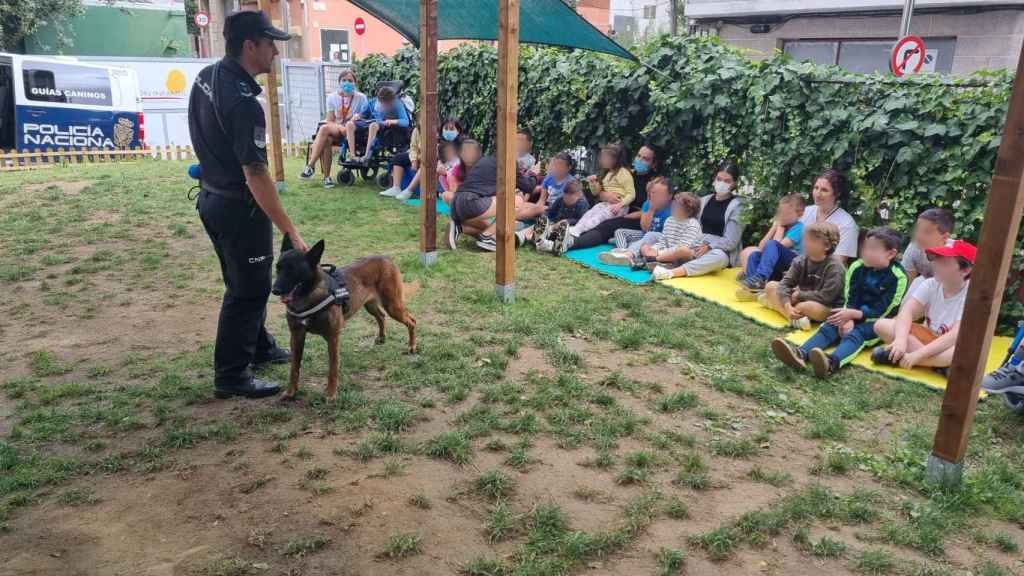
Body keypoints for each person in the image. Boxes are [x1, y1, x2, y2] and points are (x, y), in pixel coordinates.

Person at [188, 11, 307, 399]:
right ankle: (232, 375)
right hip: (239, 208)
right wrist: (289, 228)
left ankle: (259, 346)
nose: (275, 51)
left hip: (211, 198)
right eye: (270, 43)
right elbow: (256, 174)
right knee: (249, 290)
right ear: (249, 46)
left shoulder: (207, 79)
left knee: (242, 281)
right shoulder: (244, 104)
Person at [770, 227, 908, 379]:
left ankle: (831, 363)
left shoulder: (899, 277)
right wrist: (846, 317)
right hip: (851, 311)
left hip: (876, 321)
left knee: (856, 334)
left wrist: (854, 316)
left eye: (873, 249)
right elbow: (850, 296)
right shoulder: (857, 267)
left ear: (891, 253)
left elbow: (884, 310)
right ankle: (800, 353)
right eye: (865, 247)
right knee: (832, 323)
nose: (866, 252)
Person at [872, 240, 976, 371]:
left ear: (965, 270)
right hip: (929, 339)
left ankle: (904, 358)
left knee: (960, 352)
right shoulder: (930, 284)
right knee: (881, 325)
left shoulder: (971, 295)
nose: (936, 265)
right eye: (936, 260)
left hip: (951, 345)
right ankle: (938, 365)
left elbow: (955, 335)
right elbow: (907, 311)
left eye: (944, 263)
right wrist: (900, 340)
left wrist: (918, 355)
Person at [652, 161, 745, 281]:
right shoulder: (704, 200)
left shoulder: (738, 207)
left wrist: (710, 246)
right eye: (719, 179)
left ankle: (671, 272)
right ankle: (633, 255)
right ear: (714, 178)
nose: (722, 183)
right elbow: (691, 226)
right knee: (653, 235)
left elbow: (731, 241)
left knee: (718, 257)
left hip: (718, 251)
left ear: (734, 184)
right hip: (693, 244)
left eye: (727, 181)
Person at [568, 144, 665, 250]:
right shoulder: (626, 173)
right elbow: (600, 192)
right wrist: (605, 195)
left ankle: (572, 243)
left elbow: (657, 207)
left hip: (638, 218)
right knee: (591, 217)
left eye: (645, 159)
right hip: (614, 208)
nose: (639, 160)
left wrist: (633, 214)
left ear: (654, 163)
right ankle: (562, 236)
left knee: (607, 225)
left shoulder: (656, 183)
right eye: (638, 156)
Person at [753, 222, 846, 331]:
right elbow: (785, 284)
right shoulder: (800, 260)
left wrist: (799, 295)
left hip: (823, 306)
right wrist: (787, 305)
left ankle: (775, 305)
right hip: (799, 298)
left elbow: (826, 297)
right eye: (805, 239)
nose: (805, 244)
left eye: (811, 241)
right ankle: (791, 316)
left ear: (827, 246)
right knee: (771, 286)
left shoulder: (835, 267)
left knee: (806, 307)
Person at [446, 141, 533, 252]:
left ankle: (459, 227)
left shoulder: (484, 161)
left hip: (456, 204)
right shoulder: (507, 162)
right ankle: (488, 237)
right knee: (517, 200)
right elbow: (528, 187)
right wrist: (534, 173)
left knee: (485, 225)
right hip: (471, 203)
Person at [550, 143, 634, 254]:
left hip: (618, 207)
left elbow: (631, 194)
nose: (601, 160)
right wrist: (593, 182)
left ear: (614, 159)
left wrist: (620, 204)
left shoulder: (623, 173)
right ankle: (575, 229)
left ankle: (576, 233)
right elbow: (596, 193)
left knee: (598, 217)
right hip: (607, 203)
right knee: (590, 213)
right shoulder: (608, 173)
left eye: (605, 157)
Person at [300, 69, 368, 187]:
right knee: (326, 135)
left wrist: (357, 118)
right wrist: (340, 128)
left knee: (325, 130)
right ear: (339, 82)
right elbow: (330, 120)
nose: (347, 83)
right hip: (336, 129)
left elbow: (366, 117)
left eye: (350, 80)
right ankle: (326, 178)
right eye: (344, 80)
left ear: (354, 83)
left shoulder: (361, 98)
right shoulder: (332, 97)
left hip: (353, 131)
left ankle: (310, 166)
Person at [597, 176, 674, 266]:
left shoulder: (673, 209)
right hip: (645, 234)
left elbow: (668, 236)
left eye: (660, 194)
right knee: (619, 232)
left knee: (651, 235)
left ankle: (629, 253)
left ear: (669, 196)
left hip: (660, 239)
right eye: (654, 193)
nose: (655, 196)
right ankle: (623, 252)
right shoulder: (648, 204)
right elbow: (644, 228)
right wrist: (651, 209)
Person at [737, 193, 806, 293]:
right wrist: (773, 228)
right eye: (780, 213)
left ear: (800, 214)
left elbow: (778, 246)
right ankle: (755, 285)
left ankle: (760, 278)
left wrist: (779, 228)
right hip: (777, 266)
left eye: (786, 214)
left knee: (772, 244)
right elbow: (761, 248)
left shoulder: (799, 228)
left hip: (793, 265)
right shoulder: (783, 225)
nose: (782, 216)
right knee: (754, 255)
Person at [382, 117, 464, 200]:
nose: (448, 131)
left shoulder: (461, 146)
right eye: (446, 128)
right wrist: (414, 160)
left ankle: (411, 191)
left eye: (451, 129)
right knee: (399, 158)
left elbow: (460, 166)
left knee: (427, 166)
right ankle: (398, 188)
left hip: (453, 176)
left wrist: (447, 172)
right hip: (424, 160)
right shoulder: (440, 145)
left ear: (458, 131)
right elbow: (414, 148)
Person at [799, 169, 860, 264]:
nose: (818, 194)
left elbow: (838, 262)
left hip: (823, 271)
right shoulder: (806, 211)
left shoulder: (847, 223)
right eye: (816, 188)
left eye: (824, 190)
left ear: (837, 194)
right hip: (797, 263)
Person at [519, 180, 589, 249]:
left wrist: (568, 221)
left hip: (568, 228)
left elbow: (581, 220)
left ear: (579, 195)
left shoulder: (582, 204)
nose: (566, 199)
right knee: (538, 225)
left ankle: (531, 238)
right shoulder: (560, 199)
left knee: (553, 232)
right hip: (554, 222)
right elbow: (550, 211)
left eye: (570, 197)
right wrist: (545, 217)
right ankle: (521, 234)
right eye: (565, 196)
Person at [349, 85, 410, 164]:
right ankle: (353, 156)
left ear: (390, 101)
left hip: (383, 125)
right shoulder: (374, 102)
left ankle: (367, 156)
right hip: (370, 122)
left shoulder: (397, 104)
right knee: (349, 124)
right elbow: (363, 114)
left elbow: (406, 121)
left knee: (373, 125)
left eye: (385, 103)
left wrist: (393, 121)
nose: (383, 105)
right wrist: (358, 116)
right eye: (381, 102)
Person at [902, 207, 956, 294]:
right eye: (918, 230)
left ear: (945, 237)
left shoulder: (956, 256)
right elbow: (906, 284)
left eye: (926, 232)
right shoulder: (914, 247)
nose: (918, 236)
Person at [517, 151, 576, 221]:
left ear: (568, 167)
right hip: (547, 208)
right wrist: (534, 209)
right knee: (525, 205)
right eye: (556, 165)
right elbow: (542, 200)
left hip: (561, 211)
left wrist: (536, 210)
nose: (557, 168)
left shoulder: (571, 182)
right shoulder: (549, 178)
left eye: (561, 166)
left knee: (536, 209)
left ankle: (512, 219)